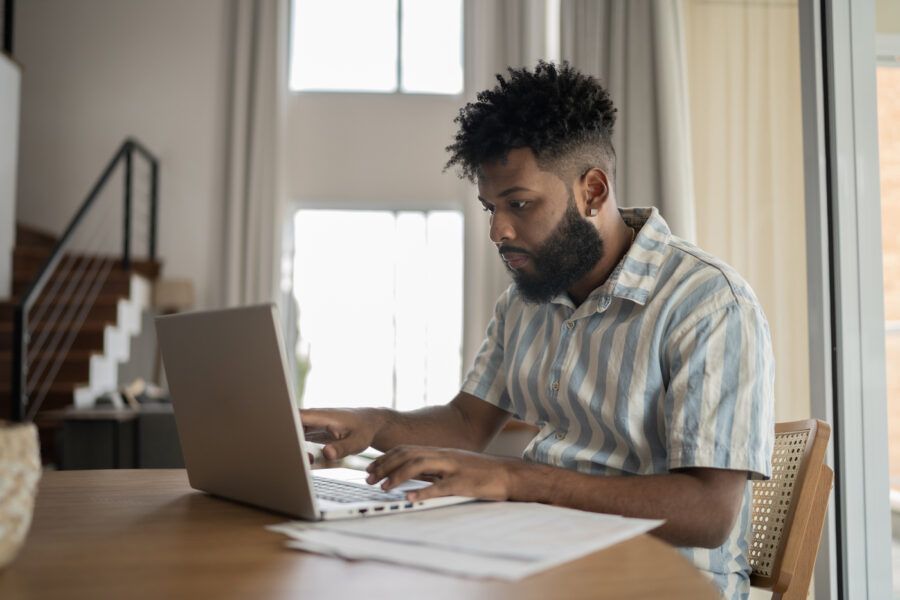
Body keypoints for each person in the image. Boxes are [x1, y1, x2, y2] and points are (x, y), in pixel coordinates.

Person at [301, 61, 774, 599]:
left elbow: (710, 513)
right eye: (490, 207)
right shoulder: (525, 303)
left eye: (519, 205)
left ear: (592, 191)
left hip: (659, 582)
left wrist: (514, 480)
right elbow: (465, 423)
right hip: (541, 560)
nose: (497, 230)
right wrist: (373, 422)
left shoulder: (708, 304)